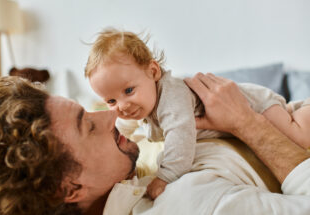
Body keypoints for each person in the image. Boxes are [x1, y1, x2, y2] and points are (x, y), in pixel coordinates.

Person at [0, 76, 310, 215]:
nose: (108, 116)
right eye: (87, 126)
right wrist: (248, 124)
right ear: (67, 189)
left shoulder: (130, 178)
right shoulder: (185, 206)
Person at [84, 28, 310, 199]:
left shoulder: (172, 97)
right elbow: (127, 127)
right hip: (250, 110)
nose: (122, 106)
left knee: (298, 135)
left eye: (129, 91)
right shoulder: (145, 102)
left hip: (256, 105)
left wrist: (165, 177)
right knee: (289, 116)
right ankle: (295, 109)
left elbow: (180, 137)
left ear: (153, 71)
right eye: (111, 100)